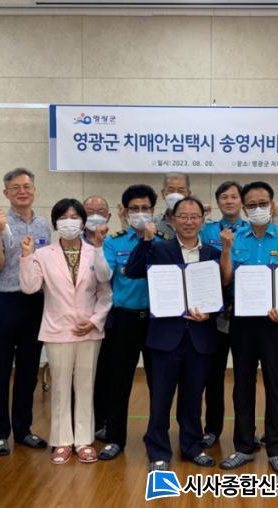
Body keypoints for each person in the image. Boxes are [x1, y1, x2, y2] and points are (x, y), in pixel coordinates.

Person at [125, 197, 219, 471]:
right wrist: (145, 240)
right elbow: (132, 271)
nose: (189, 221)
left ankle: (191, 446)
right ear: (173, 220)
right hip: (165, 338)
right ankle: (158, 451)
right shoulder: (159, 249)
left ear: (202, 220)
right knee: (161, 399)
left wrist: (210, 313)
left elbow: (223, 293)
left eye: (195, 216)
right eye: (183, 216)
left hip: (199, 338)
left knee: (193, 398)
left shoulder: (212, 254)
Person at [218, 181, 278, 475]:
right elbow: (226, 279)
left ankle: (277, 448)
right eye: (252, 205)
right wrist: (226, 250)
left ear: (273, 205)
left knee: (277, 385)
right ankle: (243, 446)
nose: (258, 209)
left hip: (276, 322)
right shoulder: (235, 239)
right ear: (244, 209)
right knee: (242, 384)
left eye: (263, 203)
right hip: (242, 322)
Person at [19, 198, 112, 464]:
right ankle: (61, 441)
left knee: (85, 386)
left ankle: (83, 440)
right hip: (57, 329)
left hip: (88, 330)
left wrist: (95, 321)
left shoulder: (94, 251)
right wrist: (26, 256)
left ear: (83, 222)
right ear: (55, 223)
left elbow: (105, 291)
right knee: (60, 387)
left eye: (74, 217)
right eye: (63, 217)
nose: (69, 222)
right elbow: (29, 287)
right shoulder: (43, 254)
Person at [96, 185, 169, 461]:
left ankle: (157, 440)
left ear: (153, 210)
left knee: (158, 384)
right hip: (124, 320)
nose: (140, 213)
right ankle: (115, 438)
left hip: (156, 320)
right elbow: (106, 276)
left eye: (145, 208)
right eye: (134, 209)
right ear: (125, 212)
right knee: (118, 382)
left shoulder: (164, 241)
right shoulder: (114, 242)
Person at [0, 168, 51, 455]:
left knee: (28, 371)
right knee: (0, 370)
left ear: (34, 190)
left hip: (35, 302)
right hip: (5, 301)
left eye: (27, 186)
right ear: (6, 193)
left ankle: (23, 430)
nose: (22, 191)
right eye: (15, 187)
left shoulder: (44, 225)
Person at [199, 181, 247, 449]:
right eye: (224, 197)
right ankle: (212, 428)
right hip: (213, 313)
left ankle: (245, 432)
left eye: (234, 196)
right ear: (218, 202)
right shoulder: (206, 230)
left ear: (242, 201)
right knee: (213, 375)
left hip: (244, 311)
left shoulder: (251, 230)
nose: (229, 201)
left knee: (243, 376)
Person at [81, 195, 112, 438]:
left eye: (100, 211)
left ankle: (101, 422)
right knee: (79, 375)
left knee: (104, 373)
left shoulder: (112, 244)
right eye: (89, 211)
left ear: (109, 216)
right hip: (78, 321)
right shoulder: (70, 244)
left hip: (108, 318)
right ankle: (79, 425)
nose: (94, 215)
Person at [154, 172, 192, 239]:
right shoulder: (154, 223)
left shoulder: (197, 224)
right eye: (171, 190)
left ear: (189, 194)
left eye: (181, 191)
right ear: (163, 193)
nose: (175, 195)